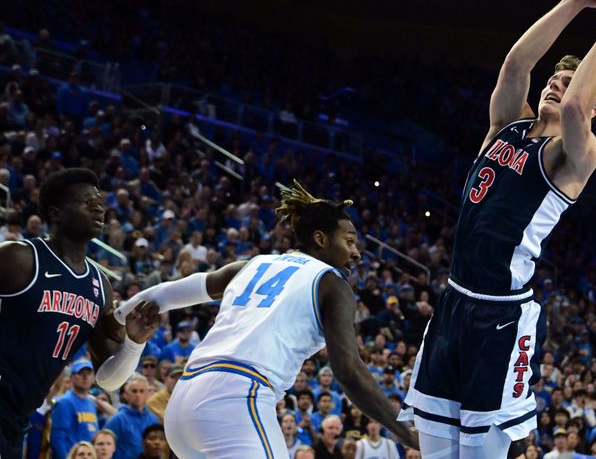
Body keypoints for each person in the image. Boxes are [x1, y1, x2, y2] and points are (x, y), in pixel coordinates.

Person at [398, 0, 596, 458]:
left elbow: (572, 109)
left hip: (500, 319)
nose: (556, 84)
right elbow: (515, 65)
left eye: (570, 82)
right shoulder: (506, 126)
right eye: (554, 78)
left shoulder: (574, 156)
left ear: (592, 110)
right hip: (453, 303)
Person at [117, 181, 418, 457]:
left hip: (183, 402)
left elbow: (171, 292)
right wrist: (405, 431)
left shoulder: (253, 264)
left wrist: (119, 314)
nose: (356, 254)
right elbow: (349, 371)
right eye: (350, 242)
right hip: (236, 399)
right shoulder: (331, 282)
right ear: (320, 238)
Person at [0, 168, 160, 459]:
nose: (98, 207)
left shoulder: (100, 286)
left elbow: (108, 377)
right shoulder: (18, 258)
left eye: (99, 201)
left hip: (18, 416)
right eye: (86, 201)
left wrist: (134, 343)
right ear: (57, 213)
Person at [50, 360, 100, 459]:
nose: (85, 377)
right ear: (72, 378)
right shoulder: (65, 403)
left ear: (93, 378)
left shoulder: (91, 403)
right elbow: (57, 439)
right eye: (80, 373)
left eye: (89, 373)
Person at [104, 374, 160, 459]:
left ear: (147, 394)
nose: (138, 395)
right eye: (134, 391)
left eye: (141, 391)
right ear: (126, 394)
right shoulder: (117, 420)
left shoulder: (153, 419)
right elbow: (105, 449)